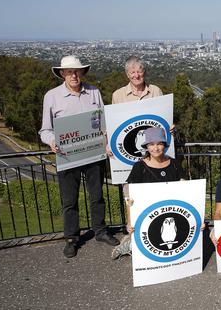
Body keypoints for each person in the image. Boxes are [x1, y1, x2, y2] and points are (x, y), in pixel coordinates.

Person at [39, 55, 119, 258]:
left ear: (82, 72)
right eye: (69, 72)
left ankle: (100, 231)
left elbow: (103, 123)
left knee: (97, 196)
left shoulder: (94, 91)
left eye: (77, 71)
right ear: (62, 74)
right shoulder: (52, 96)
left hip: (94, 154)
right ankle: (71, 239)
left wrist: (108, 143)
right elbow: (45, 130)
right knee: (69, 200)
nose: (73, 75)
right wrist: (52, 142)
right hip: (67, 156)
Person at [111, 127, 183, 259]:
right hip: (148, 213)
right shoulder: (139, 167)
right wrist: (130, 221)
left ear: (164, 145)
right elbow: (129, 195)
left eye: (159, 144)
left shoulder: (174, 164)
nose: (156, 148)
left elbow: (185, 189)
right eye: (152, 144)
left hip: (171, 211)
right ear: (147, 147)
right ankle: (128, 244)